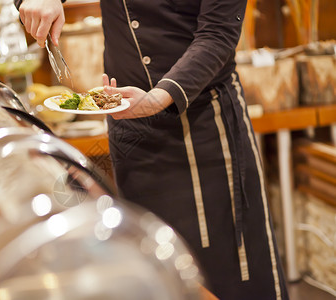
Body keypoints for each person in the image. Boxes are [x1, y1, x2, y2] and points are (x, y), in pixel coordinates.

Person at [15, 0, 290, 299]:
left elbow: (218, 35)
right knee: (153, 268)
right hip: (131, 127)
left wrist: (159, 97)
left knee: (230, 274)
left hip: (204, 127)